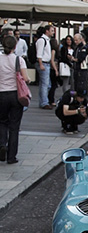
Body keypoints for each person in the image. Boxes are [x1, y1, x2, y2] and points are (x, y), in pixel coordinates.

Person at [0, 35, 30, 164]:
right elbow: (26, 78)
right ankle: (12, 157)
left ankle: (2, 144)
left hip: (1, 94)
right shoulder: (19, 60)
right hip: (16, 95)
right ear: (15, 46)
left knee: (1, 122)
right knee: (14, 126)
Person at [35, 25, 55, 109]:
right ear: (47, 31)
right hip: (43, 63)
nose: (53, 32)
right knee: (45, 84)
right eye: (52, 30)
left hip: (46, 63)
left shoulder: (46, 40)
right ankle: (44, 102)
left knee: (46, 84)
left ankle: (43, 101)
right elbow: (39, 53)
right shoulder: (42, 40)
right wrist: (40, 64)